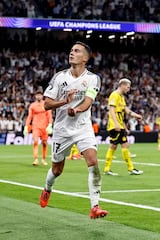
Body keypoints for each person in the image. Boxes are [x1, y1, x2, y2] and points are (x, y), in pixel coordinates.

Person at [39, 41, 108, 219]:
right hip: (62, 129)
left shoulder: (93, 79)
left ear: (85, 58)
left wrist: (76, 109)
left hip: (83, 128)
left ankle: (95, 206)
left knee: (93, 162)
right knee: (57, 170)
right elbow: (46, 104)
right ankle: (47, 189)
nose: (72, 53)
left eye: (76, 51)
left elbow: (88, 101)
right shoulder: (59, 77)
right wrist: (64, 102)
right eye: (71, 50)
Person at [103, 78, 144, 176]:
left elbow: (125, 111)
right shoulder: (114, 95)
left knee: (118, 145)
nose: (128, 89)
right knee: (119, 145)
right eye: (128, 87)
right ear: (122, 85)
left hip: (119, 125)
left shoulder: (121, 97)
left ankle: (108, 169)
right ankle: (129, 169)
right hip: (114, 126)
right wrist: (116, 124)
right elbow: (111, 110)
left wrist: (136, 115)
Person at [24, 90, 53, 166]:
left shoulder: (46, 104)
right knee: (35, 142)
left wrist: (50, 124)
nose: (38, 96)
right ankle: (36, 159)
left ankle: (43, 159)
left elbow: (49, 115)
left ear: (42, 96)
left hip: (44, 127)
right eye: (37, 95)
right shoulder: (32, 105)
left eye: (40, 95)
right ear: (35, 96)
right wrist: (26, 126)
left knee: (44, 143)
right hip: (36, 126)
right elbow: (29, 116)